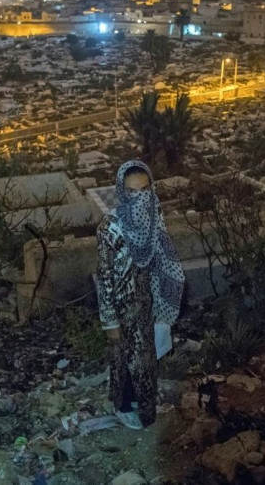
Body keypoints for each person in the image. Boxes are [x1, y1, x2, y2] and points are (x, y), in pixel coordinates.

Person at [96, 160, 185, 429]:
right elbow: (105, 279)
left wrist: (163, 302)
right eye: (133, 192)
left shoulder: (154, 216)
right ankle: (124, 406)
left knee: (146, 359)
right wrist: (110, 323)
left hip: (149, 302)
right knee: (126, 358)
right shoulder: (110, 228)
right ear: (122, 192)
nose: (140, 198)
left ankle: (142, 407)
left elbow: (162, 258)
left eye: (145, 190)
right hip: (123, 307)